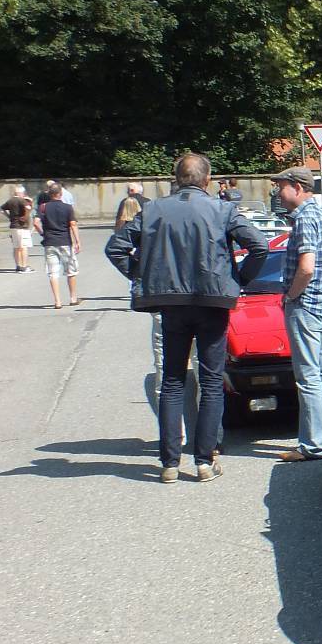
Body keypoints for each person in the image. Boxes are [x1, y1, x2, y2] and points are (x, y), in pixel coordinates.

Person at [106, 152, 266, 484]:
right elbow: (259, 246)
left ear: (176, 179)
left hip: (171, 303)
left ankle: (168, 463)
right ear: (208, 180)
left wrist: (143, 276)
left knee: (172, 381)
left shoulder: (153, 209)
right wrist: (238, 281)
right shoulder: (223, 209)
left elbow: (116, 248)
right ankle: (204, 461)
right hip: (212, 301)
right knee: (211, 382)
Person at [271, 166, 322, 461]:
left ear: (298, 187)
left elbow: (306, 268)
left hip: (307, 305)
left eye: (281, 186)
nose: (278, 193)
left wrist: (291, 296)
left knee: (308, 376)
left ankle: (314, 445)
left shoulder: (304, 219)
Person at [37, 185, 82, 309]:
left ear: (49, 194)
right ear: (61, 194)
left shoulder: (43, 207)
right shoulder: (68, 207)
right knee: (71, 271)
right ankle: (73, 298)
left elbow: (36, 222)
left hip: (49, 243)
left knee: (53, 273)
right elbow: (73, 224)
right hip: (65, 241)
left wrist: (43, 233)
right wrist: (77, 241)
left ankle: (57, 301)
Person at [0, 184, 35, 272]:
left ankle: (18, 266)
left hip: (13, 226)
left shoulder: (10, 201)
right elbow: (28, 208)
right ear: (21, 193)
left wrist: (8, 216)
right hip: (22, 226)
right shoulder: (22, 200)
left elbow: (1, 209)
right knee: (24, 246)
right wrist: (26, 215)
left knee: (16, 247)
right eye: (23, 193)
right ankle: (24, 266)